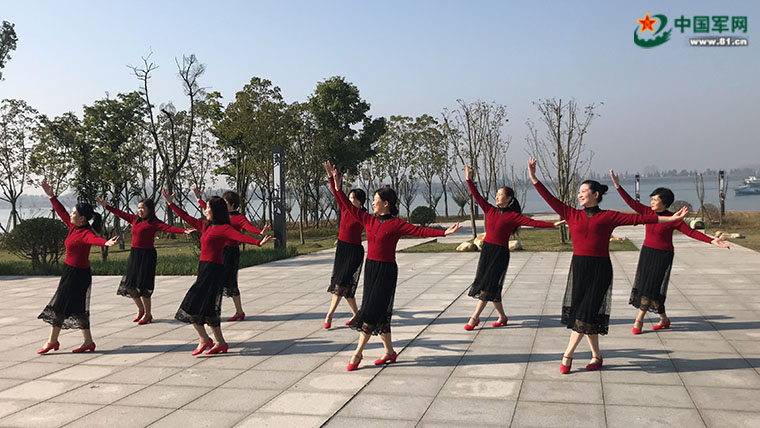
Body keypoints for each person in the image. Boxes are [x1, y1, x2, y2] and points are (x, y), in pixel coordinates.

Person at [528, 158, 688, 374]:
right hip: (579, 268)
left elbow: (641, 219)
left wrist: (670, 220)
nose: (579, 195)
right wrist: (534, 178)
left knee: (584, 313)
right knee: (587, 314)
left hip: (600, 269)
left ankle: (567, 355)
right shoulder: (571, 214)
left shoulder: (609, 216)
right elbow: (550, 198)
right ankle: (596, 355)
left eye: (584, 191)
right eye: (578, 192)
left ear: (596, 195)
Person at [324, 161, 462, 371]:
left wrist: (444, 233)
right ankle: (389, 352)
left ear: (386, 204)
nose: (372, 203)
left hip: (386, 271)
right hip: (371, 268)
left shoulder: (396, 224)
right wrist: (335, 184)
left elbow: (420, 231)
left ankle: (357, 354)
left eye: (376, 201)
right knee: (380, 312)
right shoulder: (368, 220)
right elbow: (346, 205)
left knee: (370, 311)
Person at [610, 170, 730, 334]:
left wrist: (712, 240)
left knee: (650, 288)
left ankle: (639, 320)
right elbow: (630, 202)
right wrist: (618, 186)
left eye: (655, 200)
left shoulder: (674, 218)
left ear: (664, 203)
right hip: (647, 253)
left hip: (663, 256)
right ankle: (664, 319)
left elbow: (691, 232)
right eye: (652, 199)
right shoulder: (647, 212)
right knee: (648, 287)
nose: (652, 202)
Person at [163, 190, 273, 355]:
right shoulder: (205, 225)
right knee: (207, 309)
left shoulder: (224, 228)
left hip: (213, 271)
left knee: (191, 306)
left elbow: (240, 236)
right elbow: (186, 217)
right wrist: (171, 204)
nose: (205, 210)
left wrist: (258, 242)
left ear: (215, 210)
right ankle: (219, 342)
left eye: (208, 208)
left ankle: (205, 339)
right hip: (204, 269)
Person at [464, 164, 561, 330]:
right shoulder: (489, 210)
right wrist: (468, 179)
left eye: (501, 194)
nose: (497, 196)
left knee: (488, 285)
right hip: (487, 251)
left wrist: (552, 225)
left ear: (509, 198)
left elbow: (532, 222)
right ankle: (502, 316)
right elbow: (476, 195)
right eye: (497, 194)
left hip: (500, 254)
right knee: (491, 286)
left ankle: (474, 318)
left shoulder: (513, 216)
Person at [37, 180, 118, 354]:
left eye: (74, 213)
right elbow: (61, 212)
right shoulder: (73, 227)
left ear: (82, 218)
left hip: (78, 274)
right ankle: (88, 342)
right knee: (78, 308)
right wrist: (51, 196)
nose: (71, 214)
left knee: (59, 306)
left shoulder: (85, 232)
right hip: (70, 272)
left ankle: (52, 341)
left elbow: (93, 239)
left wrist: (105, 242)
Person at [96, 197, 195, 324]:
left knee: (144, 286)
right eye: (138, 208)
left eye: (142, 208)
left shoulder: (154, 222)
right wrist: (107, 206)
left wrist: (184, 231)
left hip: (147, 255)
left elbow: (168, 228)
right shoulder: (134, 219)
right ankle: (140, 309)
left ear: (150, 209)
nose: (140, 210)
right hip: (135, 255)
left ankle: (148, 314)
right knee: (130, 285)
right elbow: (120, 213)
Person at [193, 188, 270, 321]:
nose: (222, 205)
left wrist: (259, 234)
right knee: (216, 282)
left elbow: (247, 229)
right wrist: (199, 199)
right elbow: (209, 208)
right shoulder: (220, 215)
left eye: (225, 203)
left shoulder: (239, 218)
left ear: (233, 205)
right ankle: (211, 311)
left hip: (230, 253)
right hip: (219, 251)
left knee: (229, 282)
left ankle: (236, 311)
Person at [324, 177, 366, 329]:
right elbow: (337, 194)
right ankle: (356, 315)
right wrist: (331, 178)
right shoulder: (344, 209)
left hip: (354, 252)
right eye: (350, 198)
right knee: (345, 287)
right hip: (342, 250)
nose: (350, 200)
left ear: (360, 201)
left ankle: (329, 316)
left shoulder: (362, 216)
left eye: (354, 198)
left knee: (340, 285)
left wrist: (338, 186)